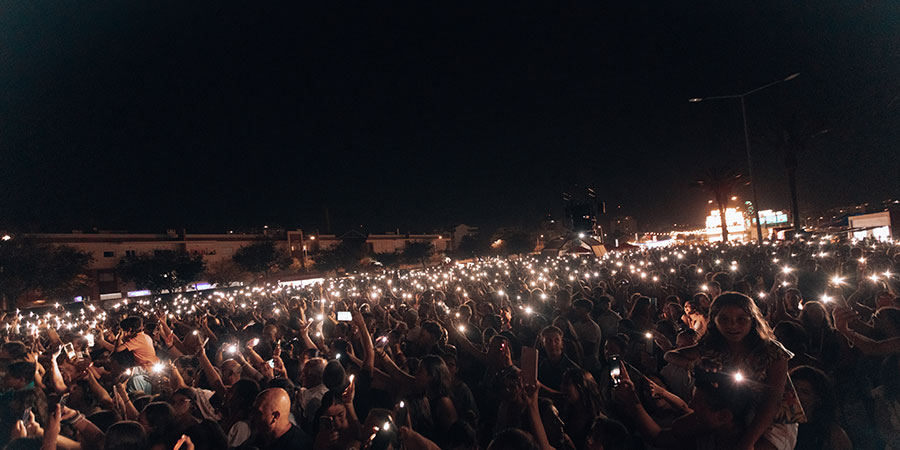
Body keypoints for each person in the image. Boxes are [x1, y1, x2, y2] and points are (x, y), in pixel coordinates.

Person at [665, 292, 805, 450]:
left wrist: (747, 442)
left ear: (752, 320)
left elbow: (773, 401)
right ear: (714, 321)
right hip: (731, 408)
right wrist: (695, 364)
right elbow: (670, 355)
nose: (732, 325)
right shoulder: (713, 346)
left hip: (772, 417)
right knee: (678, 429)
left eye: (741, 319)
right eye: (724, 319)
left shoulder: (771, 351)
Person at [790, 365, 852, 450]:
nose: (796, 395)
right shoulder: (780, 426)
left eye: (805, 392)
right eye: (794, 389)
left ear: (818, 398)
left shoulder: (831, 434)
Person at [244, 388, 312, 450]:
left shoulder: (299, 445)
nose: (252, 417)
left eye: (258, 414)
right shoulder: (261, 436)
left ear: (275, 416)